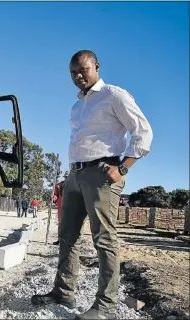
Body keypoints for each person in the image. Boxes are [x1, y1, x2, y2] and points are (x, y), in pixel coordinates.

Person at [31, 50, 153, 320]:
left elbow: (143, 132)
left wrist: (122, 168)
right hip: (76, 175)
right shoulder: (78, 105)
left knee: (104, 239)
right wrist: (70, 175)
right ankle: (64, 291)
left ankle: (106, 306)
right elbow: (82, 142)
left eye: (83, 70)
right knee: (67, 237)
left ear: (96, 67)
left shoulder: (114, 95)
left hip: (103, 173)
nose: (78, 76)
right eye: (73, 72)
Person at [52, 171, 69, 245]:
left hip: (71, 204)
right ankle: (60, 239)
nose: (66, 178)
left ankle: (69, 239)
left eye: (68, 177)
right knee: (61, 223)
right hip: (61, 205)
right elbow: (56, 195)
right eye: (66, 177)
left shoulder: (75, 184)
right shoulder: (59, 185)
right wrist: (53, 198)